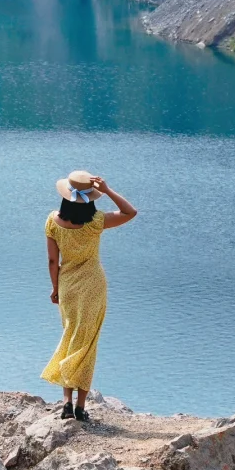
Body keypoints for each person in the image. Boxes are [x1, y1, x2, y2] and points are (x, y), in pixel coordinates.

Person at [41, 169, 137, 420]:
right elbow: (130, 212)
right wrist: (108, 190)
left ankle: (66, 403)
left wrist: (55, 288)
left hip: (68, 287)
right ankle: (81, 408)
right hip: (94, 286)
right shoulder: (95, 223)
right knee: (88, 342)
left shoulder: (53, 221)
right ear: (90, 198)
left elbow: (53, 261)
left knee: (71, 337)